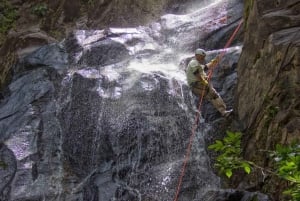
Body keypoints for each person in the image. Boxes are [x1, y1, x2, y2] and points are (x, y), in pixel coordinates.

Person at [186, 48, 233, 117]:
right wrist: (204, 81)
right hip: (198, 85)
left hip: (199, 85)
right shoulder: (193, 62)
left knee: (213, 96)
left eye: (203, 57)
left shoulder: (197, 63)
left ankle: (223, 112)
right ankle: (223, 111)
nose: (203, 58)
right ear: (197, 55)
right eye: (201, 56)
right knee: (213, 95)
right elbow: (196, 73)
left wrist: (214, 61)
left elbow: (205, 67)